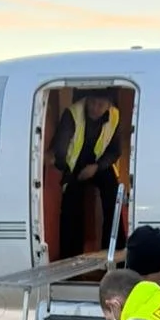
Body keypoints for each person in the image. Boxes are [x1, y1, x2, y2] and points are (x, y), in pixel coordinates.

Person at [50, 89, 126, 259]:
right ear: (86, 100)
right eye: (92, 102)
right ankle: (72, 259)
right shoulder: (72, 114)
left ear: (109, 105)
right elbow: (60, 152)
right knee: (72, 205)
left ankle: (115, 254)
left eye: (101, 104)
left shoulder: (114, 115)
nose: (95, 108)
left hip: (96, 164)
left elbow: (115, 151)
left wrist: (96, 167)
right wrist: (69, 172)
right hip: (73, 167)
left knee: (114, 197)